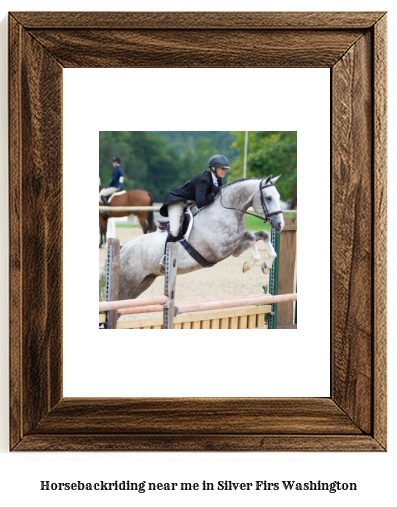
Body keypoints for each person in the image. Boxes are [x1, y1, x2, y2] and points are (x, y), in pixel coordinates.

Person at [159, 154, 229, 268]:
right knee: (175, 230)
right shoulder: (204, 179)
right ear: (214, 168)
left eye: (226, 169)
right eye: (222, 168)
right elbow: (201, 202)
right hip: (177, 202)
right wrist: (212, 194)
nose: (225, 171)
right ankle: (165, 257)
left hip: (190, 203)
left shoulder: (217, 181)